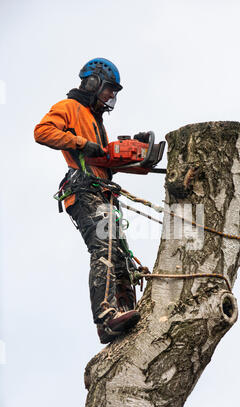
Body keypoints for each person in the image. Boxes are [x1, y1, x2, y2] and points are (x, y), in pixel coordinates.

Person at [34, 58, 141, 344]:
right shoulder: (69, 108)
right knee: (103, 246)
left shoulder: (96, 120)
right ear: (92, 83)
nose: (110, 96)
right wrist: (80, 143)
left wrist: (134, 157)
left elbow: (103, 160)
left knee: (121, 259)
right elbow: (42, 132)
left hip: (104, 191)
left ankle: (128, 311)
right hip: (82, 189)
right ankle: (106, 319)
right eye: (108, 89)